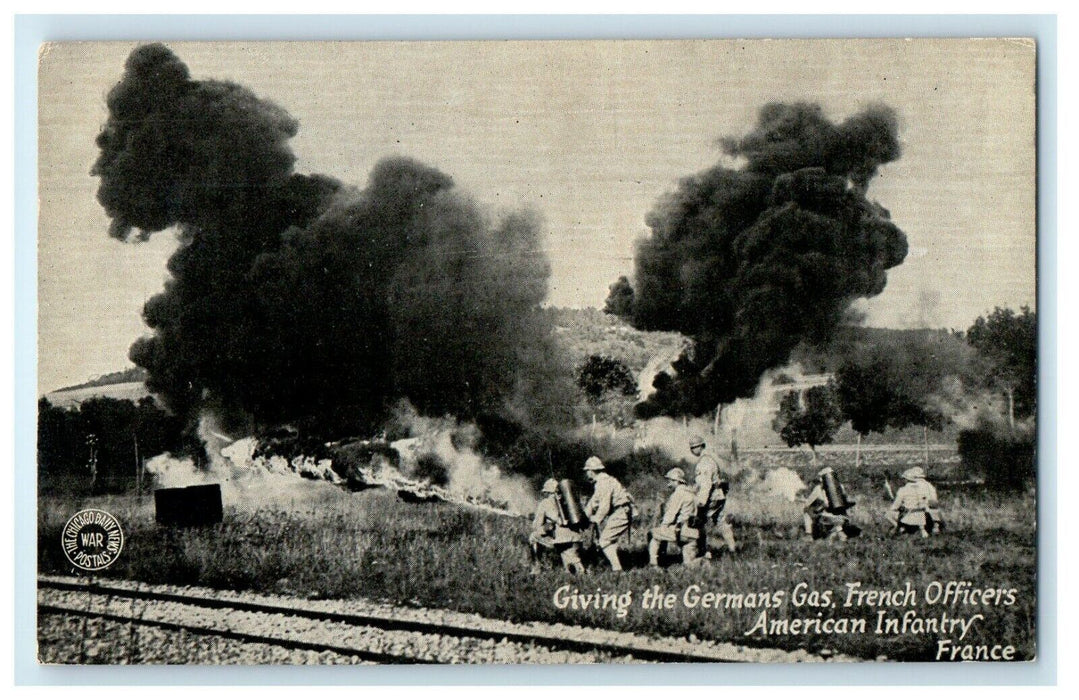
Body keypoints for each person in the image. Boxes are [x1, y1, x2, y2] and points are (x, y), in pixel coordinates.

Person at [689, 435, 737, 557]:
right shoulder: (711, 460)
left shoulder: (704, 463)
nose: (693, 450)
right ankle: (732, 549)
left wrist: (701, 502)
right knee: (721, 522)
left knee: (698, 523)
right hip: (718, 496)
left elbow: (705, 485)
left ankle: (704, 552)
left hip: (710, 497)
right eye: (692, 447)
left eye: (695, 447)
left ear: (702, 447)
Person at [583, 456, 633, 572]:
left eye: (587, 471)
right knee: (609, 540)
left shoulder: (604, 483)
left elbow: (604, 505)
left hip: (621, 512)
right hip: (620, 512)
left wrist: (596, 519)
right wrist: (585, 516)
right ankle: (617, 567)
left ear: (591, 471)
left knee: (604, 541)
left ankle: (617, 569)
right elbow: (594, 502)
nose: (587, 474)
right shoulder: (602, 482)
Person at [648, 468, 701, 568]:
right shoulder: (693, 494)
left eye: (670, 481)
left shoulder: (678, 493)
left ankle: (655, 564)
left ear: (676, 481)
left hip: (681, 531)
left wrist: (663, 526)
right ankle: (703, 561)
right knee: (689, 565)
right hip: (693, 534)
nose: (669, 483)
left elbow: (670, 515)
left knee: (654, 534)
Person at [529, 479, 585, 574]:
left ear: (547, 492)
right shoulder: (568, 501)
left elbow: (536, 525)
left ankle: (536, 568)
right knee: (572, 565)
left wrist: (544, 528)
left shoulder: (545, 503)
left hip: (562, 540)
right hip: (577, 538)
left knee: (533, 537)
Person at [803, 466, 858, 541]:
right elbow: (845, 501)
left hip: (828, 518)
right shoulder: (840, 487)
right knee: (835, 515)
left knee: (806, 512)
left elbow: (806, 505)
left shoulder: (818, 489)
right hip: (843, 518)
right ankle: (838, 533)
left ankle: (809, 535)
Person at [887, 467, 943, 538]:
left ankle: (900, 527)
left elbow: (895, 506)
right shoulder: (929, 485)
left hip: (912, 513)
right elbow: (932, 500)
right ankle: (934, 527)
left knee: (891, 513)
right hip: (926, 512)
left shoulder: (903, 489)